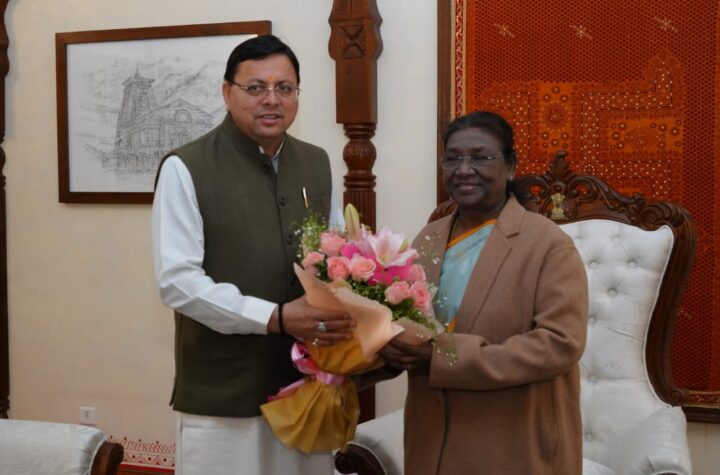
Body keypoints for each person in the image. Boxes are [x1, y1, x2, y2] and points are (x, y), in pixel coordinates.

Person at [151, 35, 355, 475]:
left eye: (285, 88)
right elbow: (177, 282)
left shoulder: (316, 163)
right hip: (224, 396)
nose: (272, 100)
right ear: (227, 93)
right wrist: (274, 317)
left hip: (307, 389)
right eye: (256, 87)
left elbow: (338, 258)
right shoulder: (186, 167)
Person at [379, 111, 588, 474]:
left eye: (480, 157)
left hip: (512, 441)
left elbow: (560, 344)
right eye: (452, 158)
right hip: (431, 439)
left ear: (510, 167)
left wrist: (443, 357)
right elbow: (405, 324)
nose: (463, 169)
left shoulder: (548, 244)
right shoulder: (429, 238)